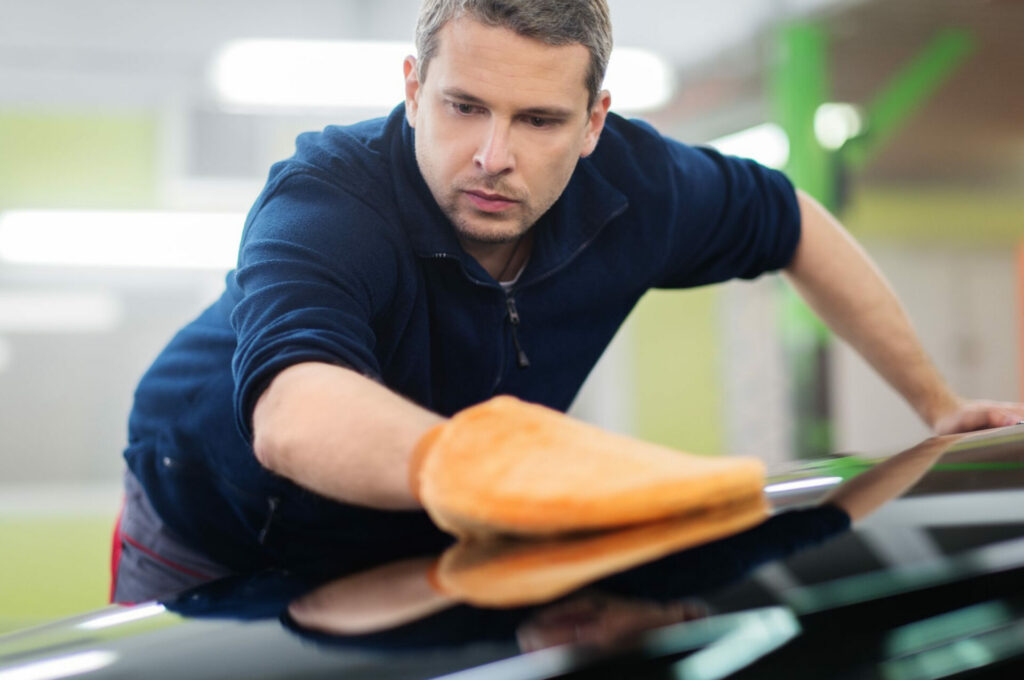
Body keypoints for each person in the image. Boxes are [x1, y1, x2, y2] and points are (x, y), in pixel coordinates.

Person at [110, 0, 1024, 603]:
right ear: (413, 88)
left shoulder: (642, 183)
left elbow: (793, 221)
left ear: (593, 124)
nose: (492, 155)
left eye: (539, 119)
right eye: (464, 106)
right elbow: (296, 408)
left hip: (418, 527)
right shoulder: (327, 198)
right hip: (210, 521)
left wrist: (937, 405)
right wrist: (500, 476)